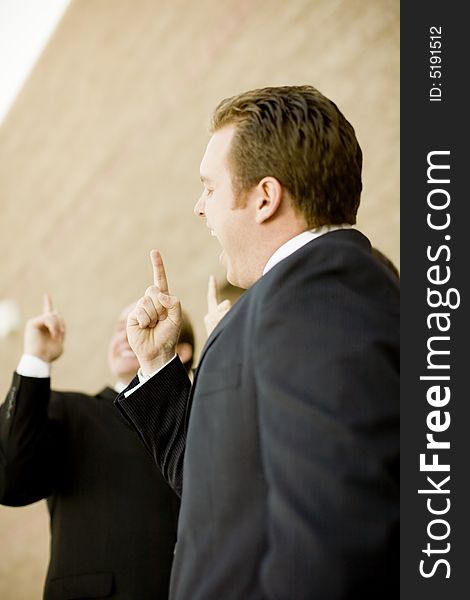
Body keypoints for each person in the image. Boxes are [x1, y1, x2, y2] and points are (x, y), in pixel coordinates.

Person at [115, 85, 400, 599]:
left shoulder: (319, 288)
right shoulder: (301, 294)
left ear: (265, 197)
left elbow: (337, 523)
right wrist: (158, 364)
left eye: (210, 188)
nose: (200, 208)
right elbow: (220, 487)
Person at [0, 295, 195, 600]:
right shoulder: (69, 412)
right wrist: (36, 359)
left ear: (182, 351)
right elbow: (9, 479)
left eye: (143, 322)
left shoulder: (202, 421)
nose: (126, 334)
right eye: (119, 328)